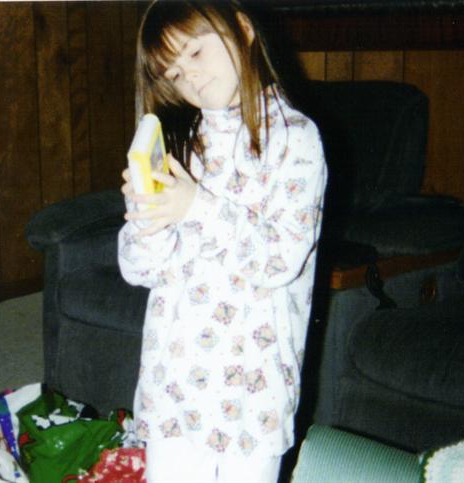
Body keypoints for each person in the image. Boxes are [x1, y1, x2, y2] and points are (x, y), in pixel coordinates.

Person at [118, 1, 327, 481]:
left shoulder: (296, 139)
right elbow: (139, 269)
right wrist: (147, 218)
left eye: (194, 53)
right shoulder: (180, 145)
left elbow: (280, 260)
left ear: (243, 29)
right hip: (174, 384)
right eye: (173, 72)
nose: (188, 77)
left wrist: (196, 207)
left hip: (252, 393)